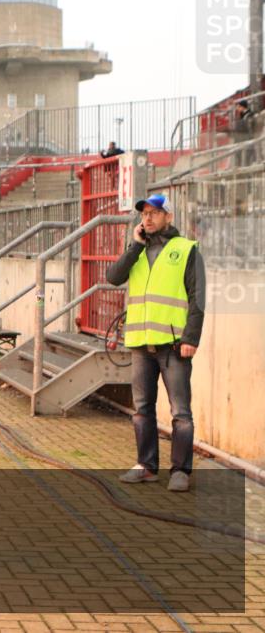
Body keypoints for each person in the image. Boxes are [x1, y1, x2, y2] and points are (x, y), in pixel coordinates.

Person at [106, 193, 205, 493]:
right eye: (144, 213)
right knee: (142, 408)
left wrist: (191, 338)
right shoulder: (137, 250)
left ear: (168, 217)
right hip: (140, 344)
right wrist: (134, 245)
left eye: (155, 213)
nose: (147, 218)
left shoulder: (186, 250)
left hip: (174, 345)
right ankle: (147, 466)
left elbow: (197, 298)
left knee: (180, 412)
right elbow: (113, 277)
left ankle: (181, 471)